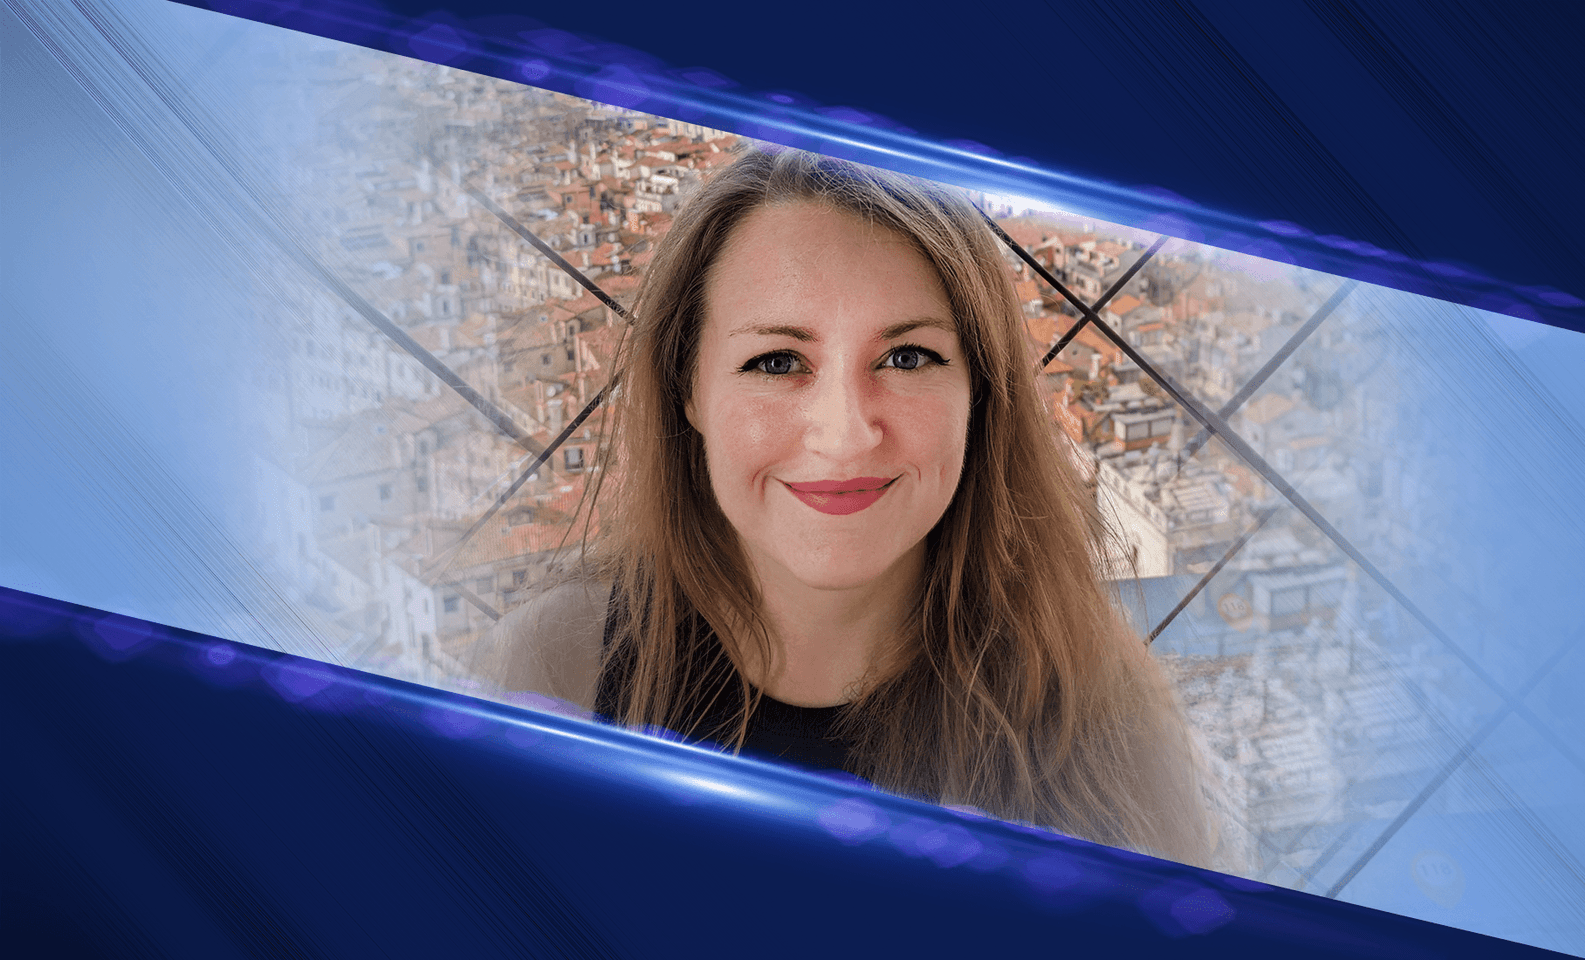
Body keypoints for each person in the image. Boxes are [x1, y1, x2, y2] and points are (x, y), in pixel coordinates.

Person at [481, 147, 1215, 867]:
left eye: (907, 358)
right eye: (776, 362)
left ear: (979, 394)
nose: (845, 435)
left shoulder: (1111, 724)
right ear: (690, 391)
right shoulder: (548, 670)